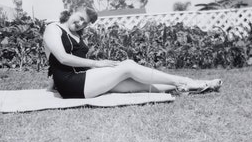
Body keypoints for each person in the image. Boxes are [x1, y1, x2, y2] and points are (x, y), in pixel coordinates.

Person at [43, 6, 222, 99]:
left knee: (139, 84)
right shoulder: (54, 28)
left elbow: (55, 64)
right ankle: (185, 81)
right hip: (72, 85)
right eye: (80, 18)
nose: (81, 23)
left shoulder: (76, 35)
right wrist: (98, 64)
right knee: (128, 66)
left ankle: (195, 86)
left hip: (84, 79)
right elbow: (62, 58)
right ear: (72, 11)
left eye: (86, 23)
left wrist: (51, 84)